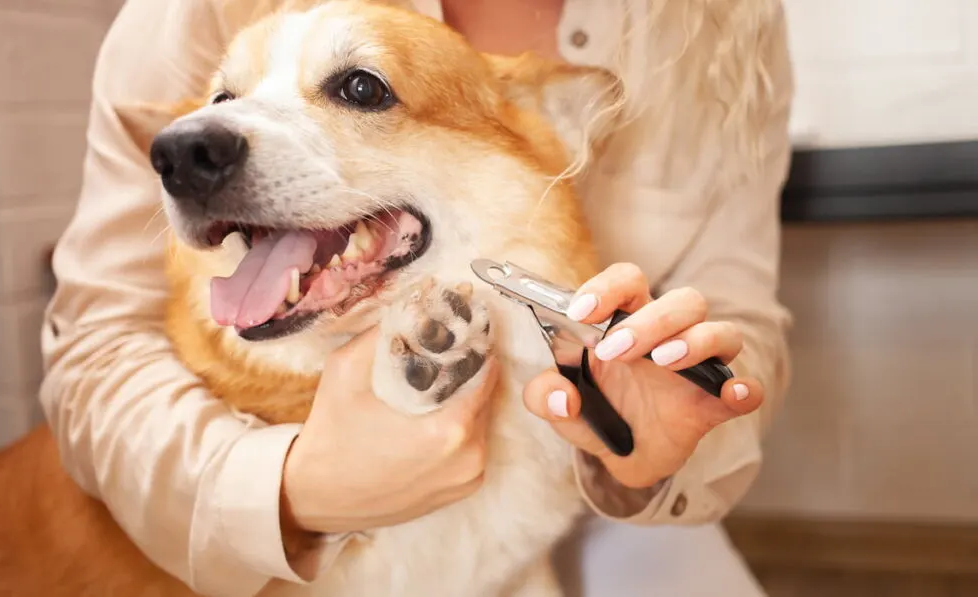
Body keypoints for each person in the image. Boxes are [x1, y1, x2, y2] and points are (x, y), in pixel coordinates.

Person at [39, 0, 793, 595]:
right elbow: (95, 350)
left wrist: (665, 443)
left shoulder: (725, 28)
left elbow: (739, 317)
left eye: (358, 88)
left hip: (594, 502)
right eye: (225, 96)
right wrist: (295, 488)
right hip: (225, 498)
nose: (200, 138)